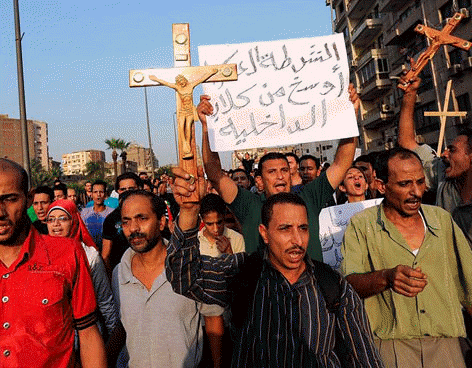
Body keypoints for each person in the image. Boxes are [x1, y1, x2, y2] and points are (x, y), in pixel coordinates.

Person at [167, 169, 384, 367]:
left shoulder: (332, 284)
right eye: (285, 229)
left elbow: (363, 356)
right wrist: (188, 212)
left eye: (303, 228)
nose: (297, 240)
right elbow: (184, 277)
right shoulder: (242, 272)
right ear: (264, 233)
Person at [341, 147, 472, 368]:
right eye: (404, 184)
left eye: (420, 182)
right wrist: (386, 277)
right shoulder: (361, 225)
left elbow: (469, 285)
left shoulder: (442, 220)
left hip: (446, 345)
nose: (416, 192)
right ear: (382, 186)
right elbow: (348, 284)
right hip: (391, 348)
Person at [196, 84, 360, 259]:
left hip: (309, 285)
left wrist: (351, 117)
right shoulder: (248, 205)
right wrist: (207, 128)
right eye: (272, 172)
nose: (280, 176)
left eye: (284, 170)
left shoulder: (309, 198)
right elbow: (215, 174)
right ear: (260, 179)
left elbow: (341, 164)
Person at [0, 158, 106, 367]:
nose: (0, 212)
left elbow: (87, 334)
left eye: (10, 199)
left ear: (28, 199)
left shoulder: (67, 254)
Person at [111, 190, 225, 368]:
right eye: (126, 221)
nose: (133, 228)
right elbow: (124, 325)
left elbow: (213, 320)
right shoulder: (119, 273)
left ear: (161, 222)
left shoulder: (191, 266)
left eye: (142, 218)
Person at [396, 72, 472, 246]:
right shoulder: (442, 174)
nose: (444, 154)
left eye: (452, 150)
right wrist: (409, 95)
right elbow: (407, 143)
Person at [46, 199, 119, 339]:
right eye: (51, 219)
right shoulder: (41, 255)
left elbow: (104, 300)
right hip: (54, 337)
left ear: (73, 221)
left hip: (85, 335)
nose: (56, 224)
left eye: (62, 219)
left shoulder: (89, 256)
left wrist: (113, 339)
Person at [102, 172, 142, 274]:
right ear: (118, 191)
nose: (127, 192)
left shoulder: (150, 213)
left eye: (131, 189)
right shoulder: (111, 219)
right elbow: (106, 255)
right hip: (122, 274)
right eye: (123, 189)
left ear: (139, 188)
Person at [81, 180, 114, 252]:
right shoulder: (84, 213)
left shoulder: (112, 213)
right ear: (91, 194)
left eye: (101, 192)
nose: (98, 195)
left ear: (105, 195)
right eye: (95, 192)